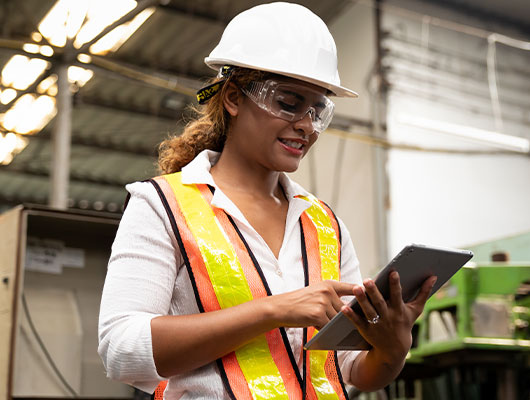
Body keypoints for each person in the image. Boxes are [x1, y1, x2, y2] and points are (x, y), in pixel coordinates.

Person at [98, 3, 436, 399]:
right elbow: (120, 348)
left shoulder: (325, 225)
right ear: (234, 99)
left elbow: (349, 368)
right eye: (289, 103)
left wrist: (393, 349)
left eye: (317, 110)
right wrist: (275, 309)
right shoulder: (163, 205)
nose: (307, 126)